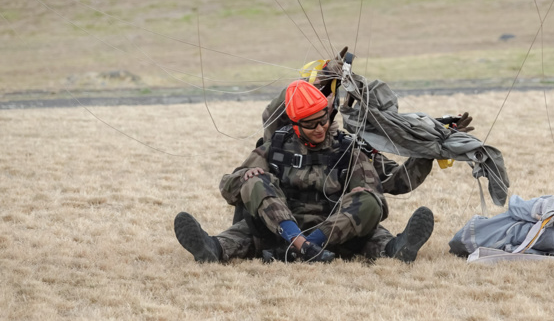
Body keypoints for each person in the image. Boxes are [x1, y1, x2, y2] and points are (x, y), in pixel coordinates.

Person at [174, 79, 434, 264]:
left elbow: (379, 197)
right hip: (280, 229)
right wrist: (245, 177)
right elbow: (228, 187)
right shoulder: (273, 148)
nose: (320, 128)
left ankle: (396, 249)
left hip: (334, 232)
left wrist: (427, 151)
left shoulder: (348, 149)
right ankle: (212, 249)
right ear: (295, 124)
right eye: (310, 125)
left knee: (369, 201)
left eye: (324, 120)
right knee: (254, 183)